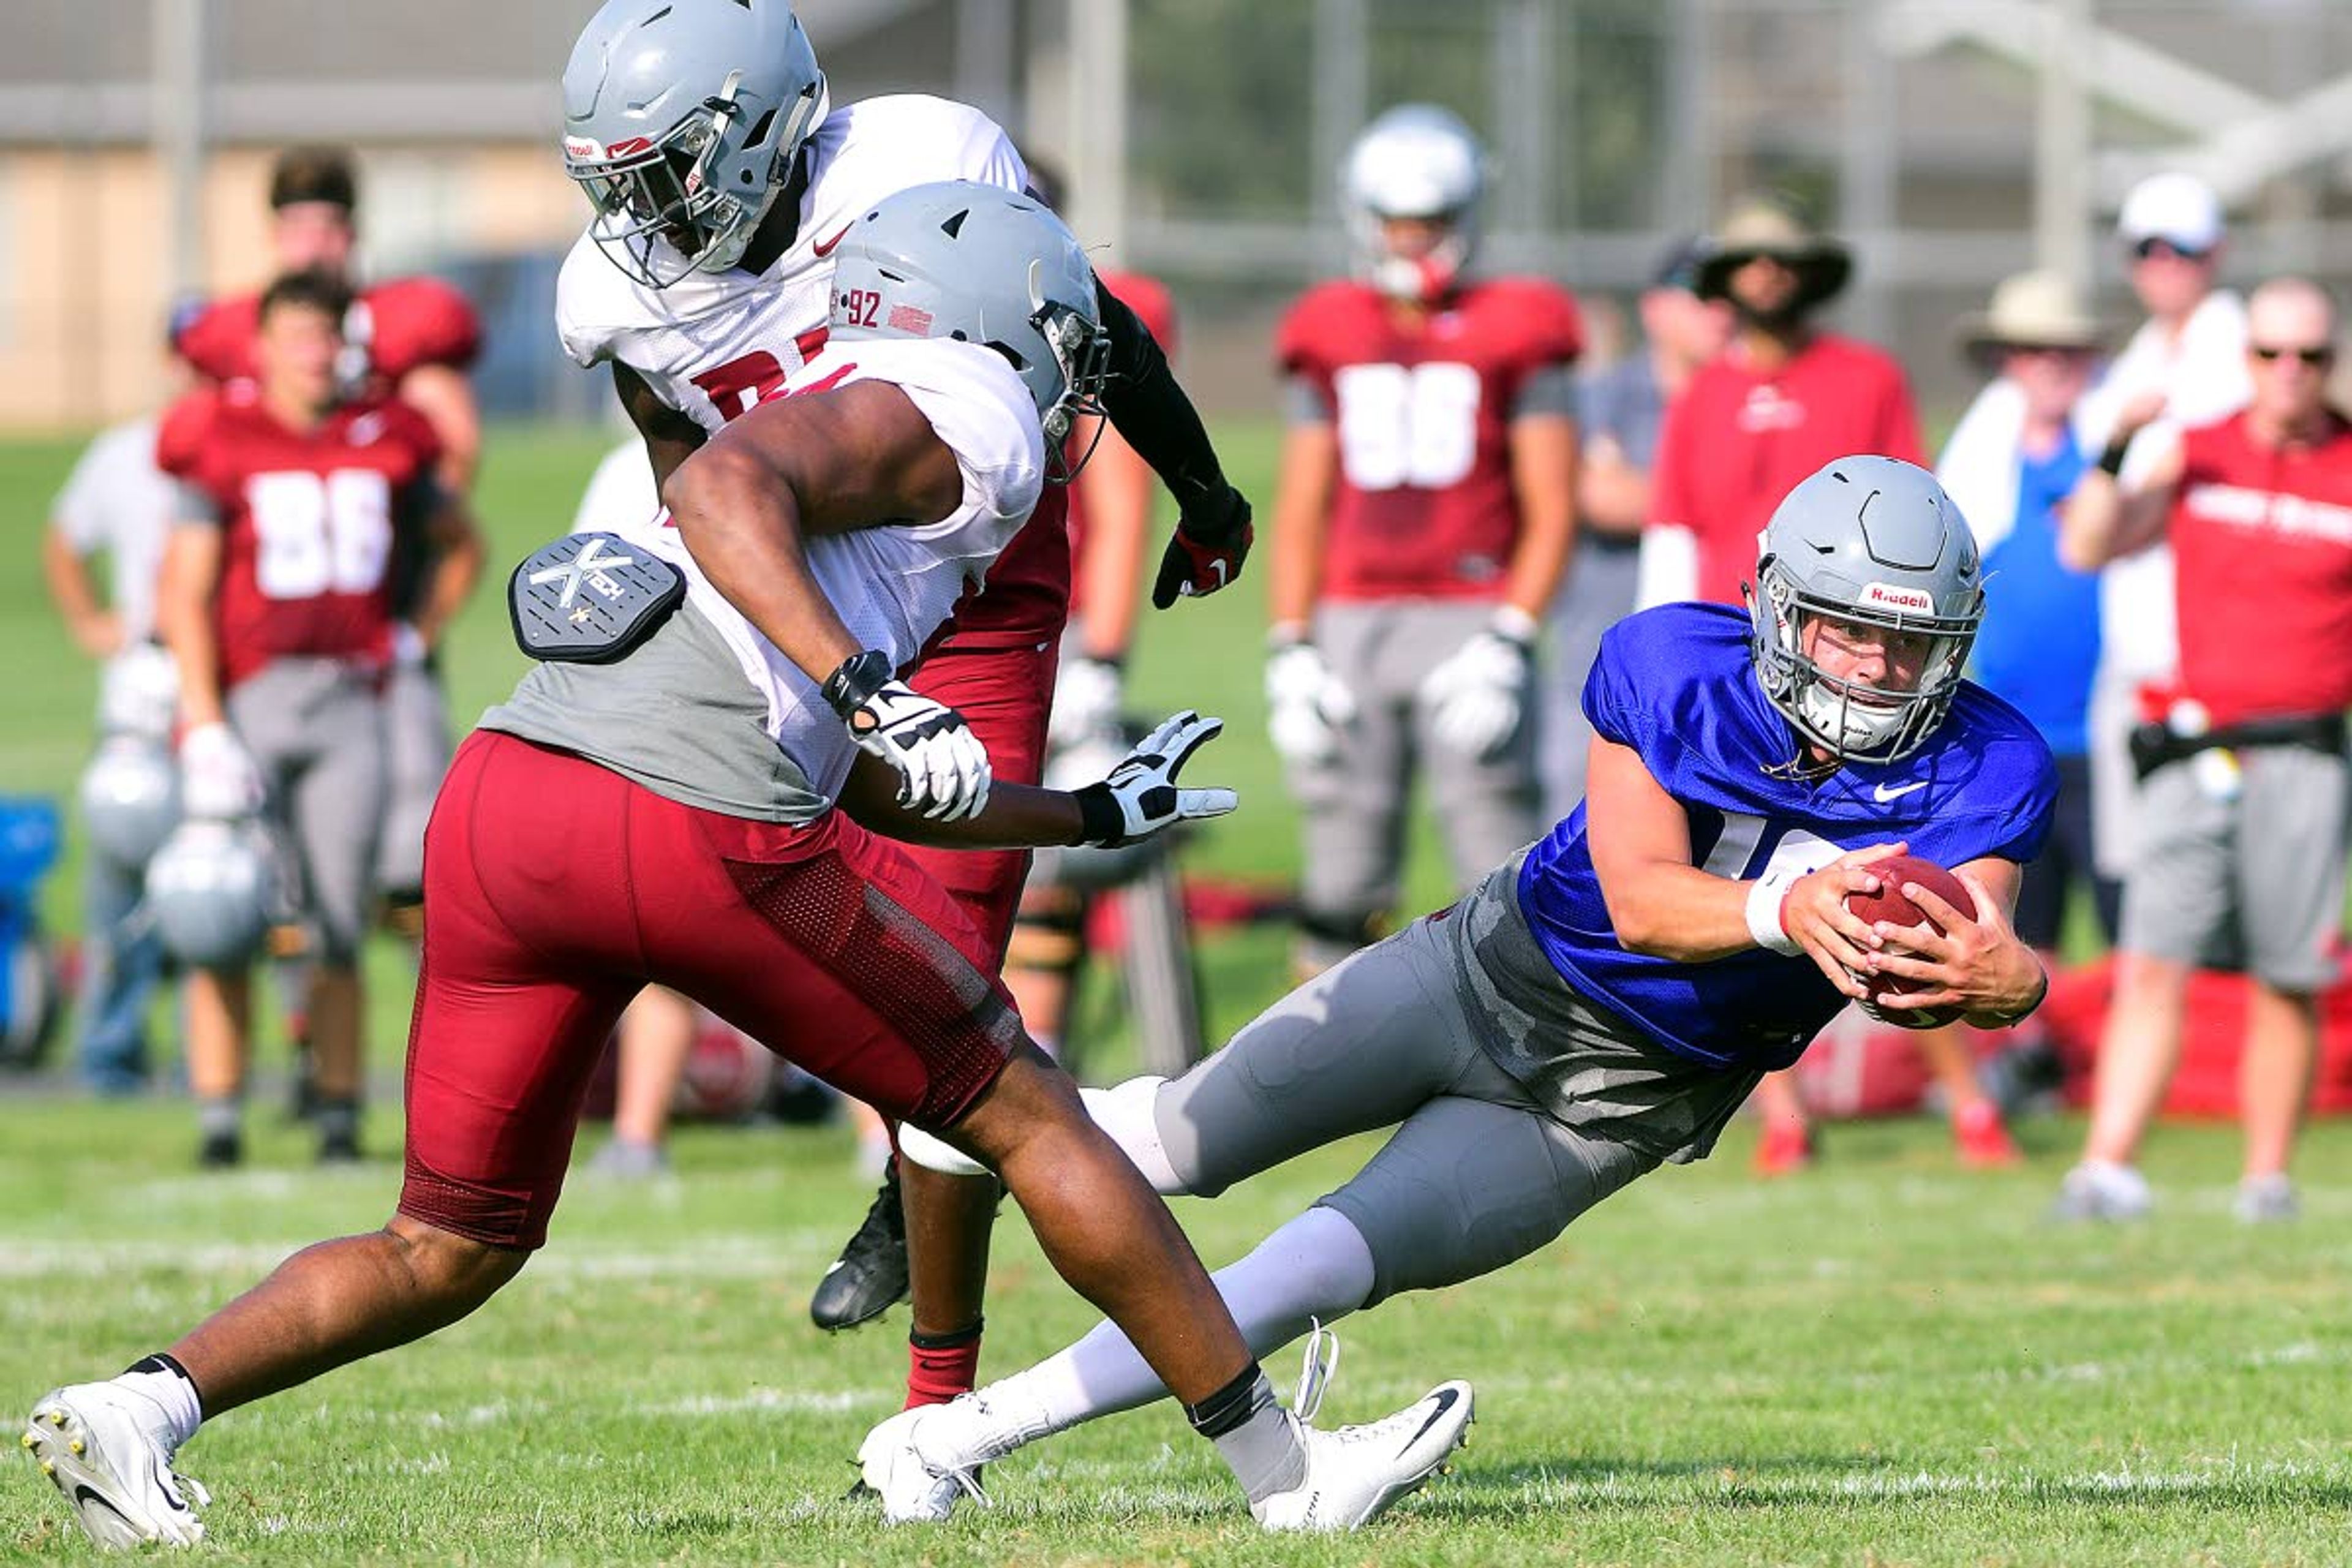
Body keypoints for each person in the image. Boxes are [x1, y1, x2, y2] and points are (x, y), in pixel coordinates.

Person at [23, 184, 1465, 1549]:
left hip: (510, 796)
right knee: (1020, 1109)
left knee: (447, 1236)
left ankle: (141, 1405)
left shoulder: (845, 424)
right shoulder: (967, 407)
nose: (1076, 374)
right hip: (678, 810)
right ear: (994, 318)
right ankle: (1285, 1479)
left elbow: (876, 781)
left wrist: (1079, 812)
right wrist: (865, 683)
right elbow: (728, 496)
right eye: (1064, 340)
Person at [862, 456, 2056, 1521]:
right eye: (1849, 629)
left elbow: (1976, 939)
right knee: (1173, 1140)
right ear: (1778, 604)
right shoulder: (1673, 659)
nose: (1878, 667)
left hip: (1614, 1101)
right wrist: (1784, 912)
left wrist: (2009, 977)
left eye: (1910, 643)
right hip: (1483, 971)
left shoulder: (1990, 756)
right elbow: (1642, 894)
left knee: (1307, 1269)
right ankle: (940, 1133)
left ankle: (947, 1440)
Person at [552, 0, 1257, 1409]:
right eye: (615, 182)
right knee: (687, 874)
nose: (638, 215)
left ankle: (934, 1370)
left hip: (977, 578)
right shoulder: (618, 295)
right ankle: (867, 1127)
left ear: (757, 133)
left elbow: (1090, 327)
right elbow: (685, 469)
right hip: (804, 605)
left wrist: (1199, 485)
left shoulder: (922, 159)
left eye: (662, 173)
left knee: (945, 980)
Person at [151, 270, 483, 1167]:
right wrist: (205, 720)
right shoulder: (218, 432)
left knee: (338, 919)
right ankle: (220, 1118)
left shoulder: (387, 433)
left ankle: (338, 1115)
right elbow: (181, 592)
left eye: (324, 334)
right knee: (220, 910)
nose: (311, 353)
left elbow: (463, 543)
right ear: (260, 346)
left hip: (349, 700)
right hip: (252, 697)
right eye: (294, 334)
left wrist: (414, 637)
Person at [1637, 193, 1929, 1172]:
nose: (1767, 275)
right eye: (1748, 260)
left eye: (1781, 259)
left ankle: (1968, 1091)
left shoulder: (1865, 379)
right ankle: (1782, 1106)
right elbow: (1674, 535)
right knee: (1746, 879)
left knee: (1898, 859)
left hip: (1860, 662)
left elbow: (1917, 517)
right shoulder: (1701, 397)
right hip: (1740, 667)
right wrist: (1664, 665)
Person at [2052, 277, 2352, 1225]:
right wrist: (2112, 451)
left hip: (2307, 753)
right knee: (2151, 960)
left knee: (2289, 976)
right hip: (2196, 748)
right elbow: (2088, 548)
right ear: (2246, 360)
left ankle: (2265, 1180)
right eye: (2271, 354)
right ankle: (2107, 1169)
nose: (2291, 374)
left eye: (2311, 356)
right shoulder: (2202, 454)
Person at [1264, 104, 1580, 976]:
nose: (1413, 238)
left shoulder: (1522, 321)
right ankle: (1319, 1073)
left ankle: (1521, 1076)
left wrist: (1511, 639)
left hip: (1471, 614)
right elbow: (1301, 505)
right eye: (1399, 219)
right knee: (1341, 870)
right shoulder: (1329, 323)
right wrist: (1289, 644)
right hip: (1351, 616)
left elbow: (1554, 504)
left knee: (1502, 864)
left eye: (1431, 220)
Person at [173, 145, 487, 932]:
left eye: (330, 227)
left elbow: (454, 469)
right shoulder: (232, 342)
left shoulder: (401, 342)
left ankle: (428, 1036)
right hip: (256, 636)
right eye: (298, 227)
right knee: (232, 867)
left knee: (410, 862)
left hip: (376, 620)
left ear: (353, 235)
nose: (315, 244)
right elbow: (190, 464)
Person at [1937, 270, 2123, 1003]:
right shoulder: (1983, 457)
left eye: (2064, 349)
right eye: (2030, 349)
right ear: (2006, 359)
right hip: (2015, 735)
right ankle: (2040, 1067)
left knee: (2128, 921)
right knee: (2021, 919)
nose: (2048, 364)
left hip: (2113, 728)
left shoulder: (2121, 444)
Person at [2071, 172, 2251, 908]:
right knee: (2146, 887)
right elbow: (2091, 539)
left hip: (2219, 662)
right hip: (2138, 654)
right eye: (2148, 249)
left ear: (2216, 253)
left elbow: (2120, 520)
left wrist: (2115, 506)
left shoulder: (2245, 353)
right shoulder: (2135, 365)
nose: (2165, 264)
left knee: (2226, 886)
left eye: (2182, 248)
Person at [1538, 236, 1731, 817]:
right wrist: (1729, 500)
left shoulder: (1748, 398)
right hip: (1594, 659)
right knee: (1573, 847)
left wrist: (1643, 488)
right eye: (1701, 295)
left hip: (1715, 667)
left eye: (1727, 297)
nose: (1719, 312)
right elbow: (1600, 495)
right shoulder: (1603, 395)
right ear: (1655, 307)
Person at [42, 353, 187, 1095]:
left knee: (218, 889)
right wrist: (91, 622)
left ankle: (211, 1065)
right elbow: (64, 538)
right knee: (119, 887)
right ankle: (110, 1052)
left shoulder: (246, 440)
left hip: (218, 687)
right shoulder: (124, 451)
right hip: (138, 685)